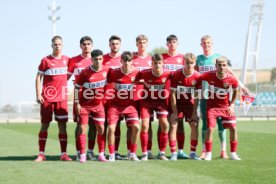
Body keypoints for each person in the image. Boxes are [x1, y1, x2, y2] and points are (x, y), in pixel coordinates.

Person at [193, 56, 241, 161]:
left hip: (226, 107)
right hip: (212, 108)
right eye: (219, 65)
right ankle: (208, 154)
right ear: (215, 66)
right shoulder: (209, 75)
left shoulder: (232, 79)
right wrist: (197, 91)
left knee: (233, 128)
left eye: (224, 65)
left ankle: (233, 153)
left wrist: (232, 105)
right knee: (210, 128)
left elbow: (236, 91)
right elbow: (198, 80)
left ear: (227, 66)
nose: (222, 67)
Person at [34, 36, 72, 162]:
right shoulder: (45, 60)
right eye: (55, 44)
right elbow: (38, 77)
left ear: (62, 45)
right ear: (52, 45)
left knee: (62, 126)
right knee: (44, 125)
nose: (57, 46)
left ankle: (64, 154)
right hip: (47, 99)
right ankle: (41, 154)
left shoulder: (67, 60)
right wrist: (39, 94)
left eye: (59, 44)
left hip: (61, 99)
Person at [74, 49, 108, 163]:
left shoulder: (107, 70)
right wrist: (77, 102)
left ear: (102, 59)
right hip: (84, 106)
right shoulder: (85, 72)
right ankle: (83, 154)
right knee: (83, 128)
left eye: (100, 59)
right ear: (91, 60)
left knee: (101, 129)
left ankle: (101, 154)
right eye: (96, 59)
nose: (98, 61)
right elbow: (77, 88)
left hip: (98, 106)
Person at [136, 53, 170, 161]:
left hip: (161, 102)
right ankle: (145, 153)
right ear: (152, 64)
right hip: (147, 102)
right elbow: (134, 79)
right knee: (145, 125)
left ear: (163, 64)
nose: (157, 65)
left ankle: (162, 153)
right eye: (155, 63)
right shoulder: (144, 73)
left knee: (165, 124)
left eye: (159, 63)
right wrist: (141, 82)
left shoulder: (168, 74)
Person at [107, 51, 140, 161]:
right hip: (115, 106)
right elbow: (105, 83)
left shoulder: (137, 73)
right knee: (111, 128)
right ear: (121, 61)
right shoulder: (114, 73)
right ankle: (112, 154)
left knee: (136, 127)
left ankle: (132, 154)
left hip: (130, 106)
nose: (127, 63)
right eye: (124, 60)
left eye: (129, 60)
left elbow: (145, 81)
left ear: (132, 62)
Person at [67, 36, 96, 161]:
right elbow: (64, 79)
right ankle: (79, 151)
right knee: (80, 125)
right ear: (80, 46)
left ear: (92, 45)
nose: (86, 46)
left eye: (89, 44)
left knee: (94, 125)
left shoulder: (97, 60)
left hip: (95, 98)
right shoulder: (74, 60)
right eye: (84, 44)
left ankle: (89, 151)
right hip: (79, 98)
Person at [169, 53, 201, 161]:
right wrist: (174, 112)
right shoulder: (177, 74)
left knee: (194, 124)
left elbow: (196, 96)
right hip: (177, 104)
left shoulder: (197, 76)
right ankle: (174, 153)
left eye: (192, 63)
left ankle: (192, 152)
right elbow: (172, 94)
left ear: (194, 63)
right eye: (187, 63)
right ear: (183, 63)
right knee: (174, 125)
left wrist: (195, 112)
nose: (189, 65)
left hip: (189, 104)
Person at [162, 35, 188, 159]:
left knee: (179, 123)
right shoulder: (161, 58)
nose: (172, 44)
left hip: (179, 96)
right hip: (164, 95)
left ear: (178, 44)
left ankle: (181, 150)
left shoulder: (183, 58)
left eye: (174, 42)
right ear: (166, 44)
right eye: (170, 42)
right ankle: (162, 151)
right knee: (164, 123)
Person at [131, 34, 155, 159]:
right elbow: (130, 79)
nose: (142, 44)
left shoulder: (152, 60)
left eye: (144, 42)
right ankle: (131, 152)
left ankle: (148, 150)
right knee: (132, 124)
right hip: (134, 96)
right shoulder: (132, 60)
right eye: (140, 42)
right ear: (136, 44)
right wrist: (142, 82)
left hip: (148, 96)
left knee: (148, 124)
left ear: (147, 43)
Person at [103, 35, 124, 160]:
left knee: (117, 125)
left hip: (119, 98)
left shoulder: (124, 59)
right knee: (103, 125)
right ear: (109, 45)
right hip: (105, 96)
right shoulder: (103, 59)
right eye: (113, 43)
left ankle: (114, 151)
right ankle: (101, 151)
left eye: (117, 43)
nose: (115, 46)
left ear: (120, 45)